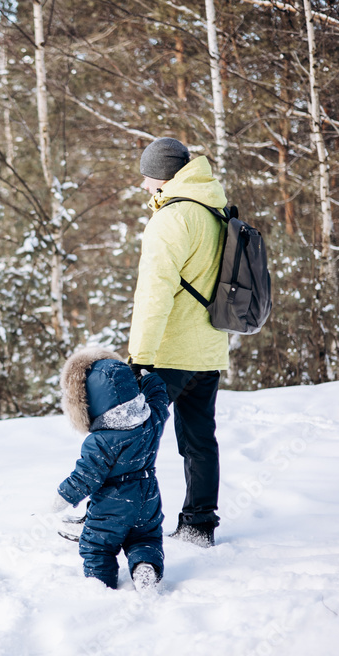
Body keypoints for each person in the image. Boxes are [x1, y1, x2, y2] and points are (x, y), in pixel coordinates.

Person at [127, 137, 229, 548]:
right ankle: (199, 525)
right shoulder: (213, 209)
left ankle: (119, 520)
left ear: (163, 176)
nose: (144, 186)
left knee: (131, 438)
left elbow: (155, 294)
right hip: (208, 348)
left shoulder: (172, 219)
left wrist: (139, 358)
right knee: (200, 440)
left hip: (169, 351)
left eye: (147, 177)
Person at [51, 347, 170, 591]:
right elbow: (159, 399)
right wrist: (150, 379)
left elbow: (85, 476)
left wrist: (63, 497)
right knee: (145, 538)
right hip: (148, 497)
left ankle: (100, 585)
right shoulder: (151, 421)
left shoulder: (100, 440)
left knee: (97, 546)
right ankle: (145, 567)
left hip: (111, 503)